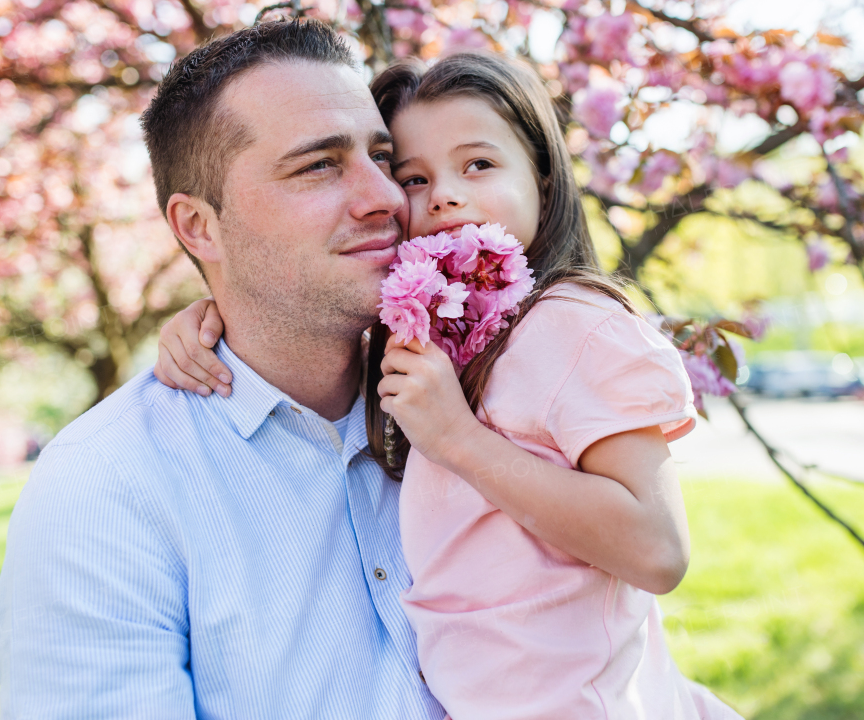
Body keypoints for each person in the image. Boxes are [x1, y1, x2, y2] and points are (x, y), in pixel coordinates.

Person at [157, 51, 742, 718]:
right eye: (412, 177)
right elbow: (287, 308)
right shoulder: (440, 328)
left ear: (543, 183)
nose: (444, 195)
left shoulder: (577, 327)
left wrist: (460, 440)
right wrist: (208, 317)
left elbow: (657, 550)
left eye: (478, 165)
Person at [0, 19, 444, 719]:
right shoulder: (106, 489)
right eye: (318, 165)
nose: (384, 197)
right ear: (199, 226)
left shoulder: (477, 395)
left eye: (383, 157)